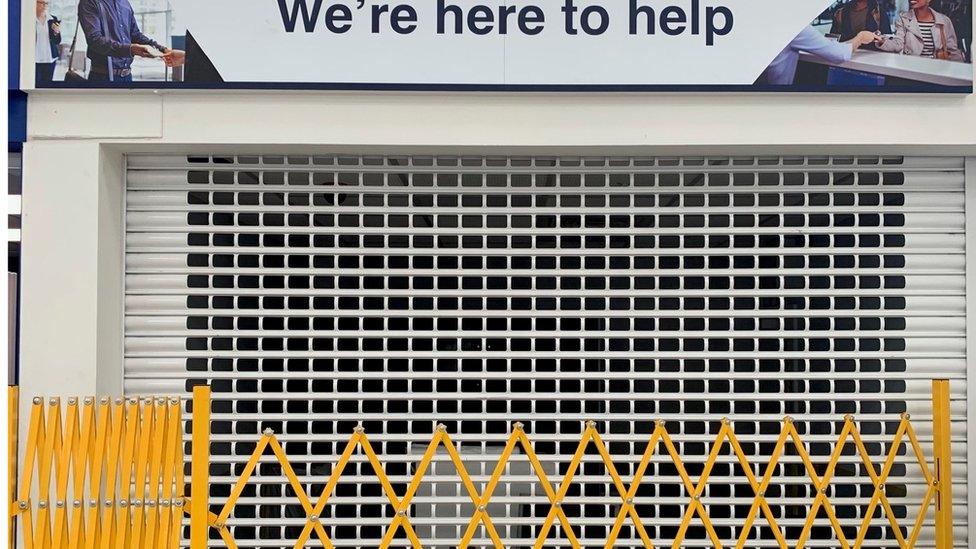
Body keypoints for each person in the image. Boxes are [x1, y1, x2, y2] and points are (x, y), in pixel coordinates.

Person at [77, 0, 185, 83]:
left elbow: (136, 35)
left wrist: (164, 50)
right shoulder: (90, 2)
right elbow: (95, 40)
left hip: (127, 77)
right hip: (102, 77)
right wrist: (131, 49)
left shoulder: (124, 3)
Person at [757, 27, 881, 85]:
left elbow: (831, 47)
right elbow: (840, 54)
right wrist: (860, 38)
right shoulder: (793, 27)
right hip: (776, 99)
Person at [876, 0, 964, 60]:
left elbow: (952, 51)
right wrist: (881, 41)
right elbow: (898, 44)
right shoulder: (903, 19)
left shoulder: (944, 21)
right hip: (912, 70)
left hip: (937, 71)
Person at [35, 0, 61, 85]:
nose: (44, 5)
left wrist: (56, 32)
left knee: (47, 85)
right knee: (35, 85)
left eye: (46, 3)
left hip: (50, 59)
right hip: (35, 59)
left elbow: (57, 41)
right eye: (41, 2)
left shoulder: (53, 19)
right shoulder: (29, 19)